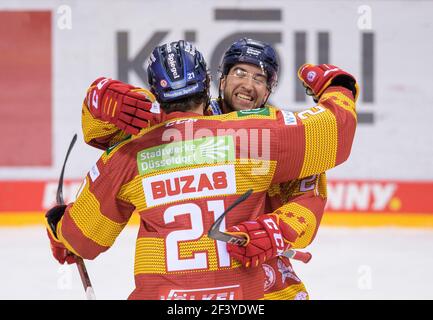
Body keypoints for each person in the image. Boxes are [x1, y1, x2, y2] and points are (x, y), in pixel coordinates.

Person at [46, 40, 358, 299]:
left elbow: (307, 194)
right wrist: (339, 87)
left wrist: (280, 229)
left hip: (241, 274)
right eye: (240, 72)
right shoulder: (263, 134)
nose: (248, 85)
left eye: (259, 78)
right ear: (217, 81)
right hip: (246, 291)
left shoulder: (138, 147)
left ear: (269, 90)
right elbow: (336, 133)